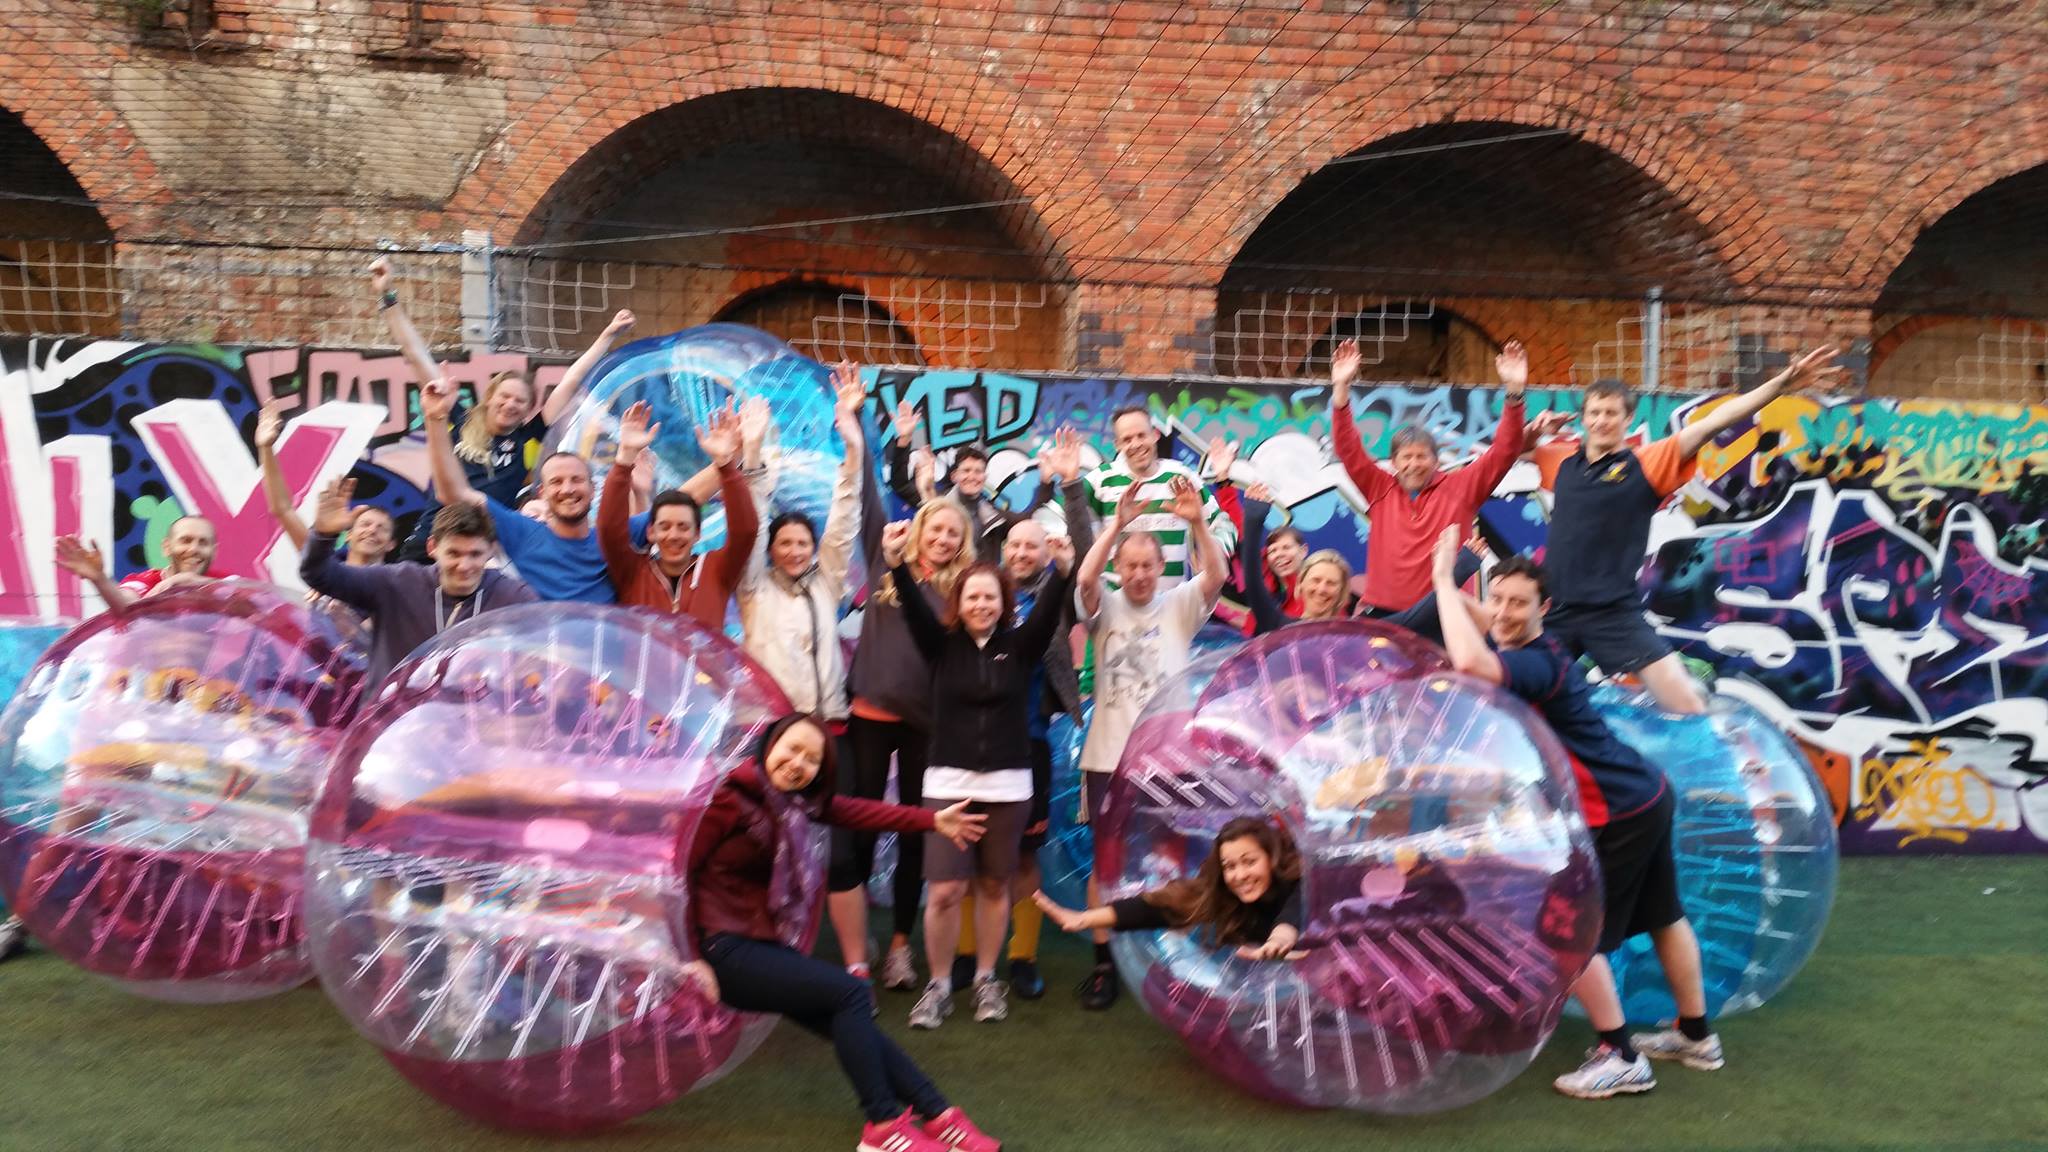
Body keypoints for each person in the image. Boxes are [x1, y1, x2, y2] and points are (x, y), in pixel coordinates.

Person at [1426, 527, 1721, 1100]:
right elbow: (1489, 623)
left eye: (1519, 603)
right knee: (1663, 914)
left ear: (1546, 609)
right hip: (1643, 794)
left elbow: (1471, 661)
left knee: (1569, 934)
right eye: (1498, 599)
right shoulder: (1534, 646)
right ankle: (1696, 1037)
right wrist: (1476, 602)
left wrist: (1441, 579)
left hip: (1617, 811)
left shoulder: (1537, 664)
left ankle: (1620, 1056)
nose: (1504, 612)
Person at [682, 713, 1000, 1152]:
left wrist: (932, 821)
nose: (798, 763)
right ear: (769, 745)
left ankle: (938, 1114)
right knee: (851, 994)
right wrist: (691, 955)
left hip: (759, 946)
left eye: (812, 759)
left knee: (844, 1016)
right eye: (792, 749)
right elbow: (678, 873)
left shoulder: (795, 804)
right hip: (723, 950)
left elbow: (857, 810)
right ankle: (882, 1125)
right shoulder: (728, 798)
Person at [1535, 346, 1845, 715]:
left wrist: (1780, 384)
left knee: (1687, 705)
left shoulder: (1648, 462)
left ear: (1627, 419)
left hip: (1613, 614)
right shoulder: (1562, 462)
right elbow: (1506, 452)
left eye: (1611, 413)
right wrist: (1532, 429)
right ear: (1584, 418)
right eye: (1595, 413)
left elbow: (1715, 421)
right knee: (1523, 698)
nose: (1602, 421)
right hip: (1556, 612)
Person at [885, 509, 1076, 1030]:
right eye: (972, 597)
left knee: (994, 886)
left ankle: (988, 979)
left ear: (1003, 603)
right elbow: (912, 605)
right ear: (959, 602)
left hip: (1009, 785)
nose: (981, 604)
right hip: (948, 785)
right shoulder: (939, 645)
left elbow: (1050, 609)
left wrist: (1062, 571)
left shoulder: (1021, 646)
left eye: (991, 597)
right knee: (945, 890)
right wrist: (896, 563)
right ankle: (939, 985)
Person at [1071, 476, 1227, 1009]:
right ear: (1119, 567)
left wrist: (1198, 523)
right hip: (1109, 757)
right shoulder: (1105, 607)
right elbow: (1085, 578)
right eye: (1130, 565)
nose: (1139, 574)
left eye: (1147, 566)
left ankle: (1171, 959)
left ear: (1162, 568)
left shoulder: (1178, 605)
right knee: (1107, 858)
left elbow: (1216, 575)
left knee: (1170, 857)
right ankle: (1104, 965)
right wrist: (1116, 524)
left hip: (1170, 759)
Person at [949, 426, 1092, 1001]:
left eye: (1033, 546)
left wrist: (1071, 486)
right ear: (1001, 551)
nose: (1022, 553)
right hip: (974, 745)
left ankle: (1023, 957)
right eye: (1014, 546)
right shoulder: (982, 596)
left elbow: (1083, 552)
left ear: (1045, 552)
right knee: (968, 849)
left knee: (1024, 855)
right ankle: (965, 953)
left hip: (1030, 743)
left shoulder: (1059, 598)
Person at [373, 257, 632, 560]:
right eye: (504, 396)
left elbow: (572, 380)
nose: (510, 404)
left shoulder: (528, 438)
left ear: (527, 409)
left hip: (485, 548)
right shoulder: (458, 417)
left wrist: (608, 335)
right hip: (433, 540)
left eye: (520, 401)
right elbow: (416, 355)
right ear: (489, 397)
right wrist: (387, 295)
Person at [833, 489, 977, 994]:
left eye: (953, 533)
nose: (943, 538)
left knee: (918, 830)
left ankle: (900, 945)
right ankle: (859, 940)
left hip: (926, 725)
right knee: (863, 825)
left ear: (963, 542)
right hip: (871, 714)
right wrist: (858, 443)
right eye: (936, 529)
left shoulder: (962, 588)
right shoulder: (885, 558)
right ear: (919, 531)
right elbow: (867, 496)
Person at [1327, 336, 1528, 615]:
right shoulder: (1378, 486)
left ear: (1436, 460)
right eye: (1406, 457)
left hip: (1443, 614)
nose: (1414, 464)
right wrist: (1341, 387)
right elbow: (1347, 448)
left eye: (1421, 456)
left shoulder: (1462, 487)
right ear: (1394, 462)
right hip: (1384, 615)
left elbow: (1505, 450)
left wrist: (1514, 392)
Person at [421, 377, 642, 604]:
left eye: (576, 480)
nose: (567, 489)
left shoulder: (612, 538)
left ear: (593, 489)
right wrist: (435, 418)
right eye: (556, 482)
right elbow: (452, 493)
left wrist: (634, 470)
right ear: (542, 492)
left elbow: (665, 516)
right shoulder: (521, 531)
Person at [300, 482, 536, 685]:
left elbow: (544, 638)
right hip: (389, 717)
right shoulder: (398, 581)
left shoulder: (511, 595)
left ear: (490, 551)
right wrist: (323, 535)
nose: (464, 566)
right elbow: (319, 574)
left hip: (463, 719)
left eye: (475, 554)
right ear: (432, 547)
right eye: (453, 553)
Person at [737, 362, 867, 722]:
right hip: (768, 724)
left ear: (812, 548)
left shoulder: (826, 583)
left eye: (802, 544)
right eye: (785, 544)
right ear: (771, 550)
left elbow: (843, 524)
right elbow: (753, 525)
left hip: (827, 720)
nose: (794, 551)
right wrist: (752, 450)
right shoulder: (753, 587)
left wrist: (853, 450)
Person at [1033, 816, 1304, 960]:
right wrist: (1083, 919)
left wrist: (1278, 942)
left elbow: (1292, 915)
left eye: (1249, 862)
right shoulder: (1224, 894)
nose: (1240, 875)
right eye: (1229, 866)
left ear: (1271, 857)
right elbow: (1157, 908)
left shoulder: (1299, 883)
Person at [599, 399, 756, 627]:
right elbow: (608, 529)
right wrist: (624, 459)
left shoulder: (718, 570)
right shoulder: (632, 571)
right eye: (664, 527)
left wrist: (725, 464)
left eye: (683, 527)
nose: (673, 535)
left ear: (697, 534)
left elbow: (745, 531)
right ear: (650, 532)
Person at [1083, 406, 1235, 589]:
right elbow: (1063, 519)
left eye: (1141, 435)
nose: (1136, 444)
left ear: (1155, 435)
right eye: (1127, 439)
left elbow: (1224, 525)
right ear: (1117, 444)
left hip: (1172, 600)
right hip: (1116, 600)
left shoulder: (1181, 477)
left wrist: (1212, 555)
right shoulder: (1101, 480)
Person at [886, 401, 1049, 555]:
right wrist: (904, 440)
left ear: (984, 477)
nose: (972, 476)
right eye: (966, 470)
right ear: (954, 476)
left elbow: (1029, 519)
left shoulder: (994, 516)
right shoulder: (935, 503)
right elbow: (900, 484)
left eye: (978, 471)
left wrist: (1046, 481)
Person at [254, 399, 397, 564]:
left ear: (391, 544)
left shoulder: (401, 580)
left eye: (382, 528)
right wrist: (266, 448)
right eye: (365, 524)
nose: (372, 530)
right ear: (348, 535)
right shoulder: (323, 569)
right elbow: (283, 509)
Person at [51, 515, 222, 612]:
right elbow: (126, 604)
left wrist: (187, 580)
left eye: (203, 543)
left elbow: (239, 593)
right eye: (185, 541)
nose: (194, 549)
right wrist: (99, 579)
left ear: (214, 551)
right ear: (166, 547)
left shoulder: (223, 583)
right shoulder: (146, 581)